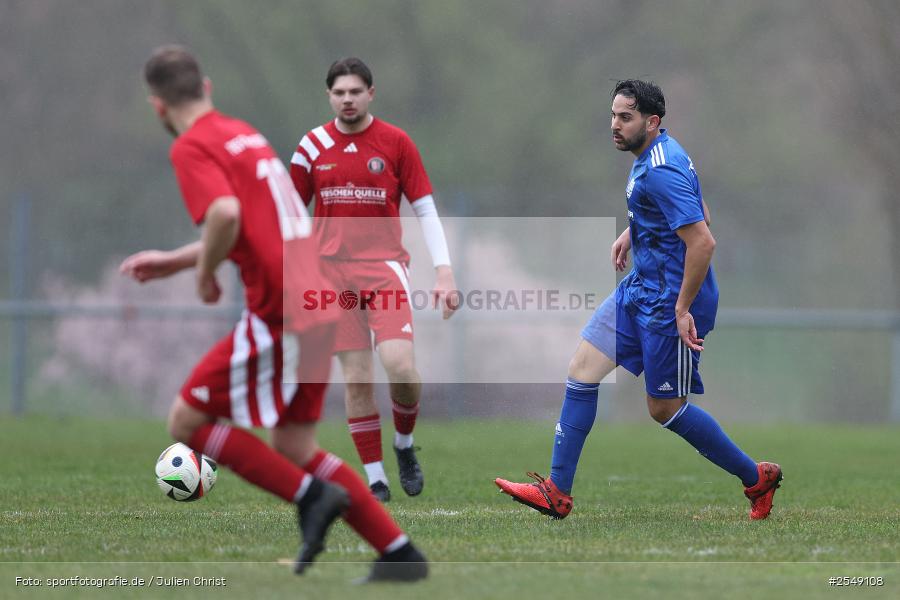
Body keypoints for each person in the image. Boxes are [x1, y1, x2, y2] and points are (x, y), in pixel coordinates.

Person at [120, 45, 427, 582]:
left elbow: (223, 213)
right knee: (292, 443)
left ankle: (311, 497)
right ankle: (400, 554)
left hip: (282, 309)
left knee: (186, 421)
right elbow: (255, 224)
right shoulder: (244, 135)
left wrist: (204, 274)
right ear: (207, 88)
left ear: (158, 108)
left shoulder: (193, 147)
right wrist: (178, 261)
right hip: (318, 297)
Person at [495, 80, 782, 521]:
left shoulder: (661, 168)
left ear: (652, 122)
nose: (614, 125)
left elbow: (703, 242)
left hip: (671, 302)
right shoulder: (654, 156)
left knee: (664, 409)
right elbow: (696, 209)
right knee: (582, 370)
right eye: (613, 115)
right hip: (640, 289)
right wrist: (636, 230)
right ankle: (556, 491)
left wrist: (683, 309)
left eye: (625, 117)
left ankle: (755, 477)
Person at [289, 57, 457, 502]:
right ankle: (377, 479)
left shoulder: (395, 142)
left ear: (370, 93)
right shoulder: (310, 147)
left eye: (354, 91)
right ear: (329, 96)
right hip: (330, 277)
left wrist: (444, 270)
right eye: (339, 92)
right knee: (357, 379)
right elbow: (290, 215)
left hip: (383, 271)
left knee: (401, 367)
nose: (347, 99)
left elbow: (424, 208)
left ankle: (403, 443)